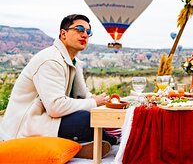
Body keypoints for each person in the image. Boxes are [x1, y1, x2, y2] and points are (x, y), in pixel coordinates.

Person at [0, 14, 118, 158]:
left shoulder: (73, 61)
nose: (85, 35)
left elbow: (81, 96)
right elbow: (55, 106)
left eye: (88, 32)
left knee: (97, 116)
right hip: (27, 125)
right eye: (79, 29)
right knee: (85, 119)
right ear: (63, 33)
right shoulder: (51, 60)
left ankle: (83, 144)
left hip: (48, 119)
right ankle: (95, 142)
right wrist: (93, 102)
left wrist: (102, 101)